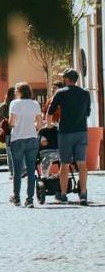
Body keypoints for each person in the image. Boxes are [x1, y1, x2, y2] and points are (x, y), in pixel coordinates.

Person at [46, 68, 91, 205]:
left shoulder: (60, 92)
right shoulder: (85, 93)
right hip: (82, 132)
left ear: (66, 79)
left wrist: (49, 125)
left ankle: (63, 194)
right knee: (82, 163)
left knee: (64, 164)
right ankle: (83, 194)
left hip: (66, 132)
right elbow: (88, 113)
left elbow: (50, 111)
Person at [7, 82, 42, 208]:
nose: (15, 93)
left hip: (17, 139)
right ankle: (30, 199)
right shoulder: (35, 104)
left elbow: (11, 122)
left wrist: (16, 125)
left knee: (17, 170)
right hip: (32, 139)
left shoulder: (14, 104)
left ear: (20, 91)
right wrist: (34, 130)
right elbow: (39, 124)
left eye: (16, 91)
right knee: (31, 170)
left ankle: (16, 198)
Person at [0, 85, 17, 187]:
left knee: (14, 152)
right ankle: (12, 171)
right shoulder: (3, 106)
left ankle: (17, 171)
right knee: (10, 152)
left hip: (18, 131)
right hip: (9, 132)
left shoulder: (17, 105)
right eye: (14, 94)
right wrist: (6, 121)